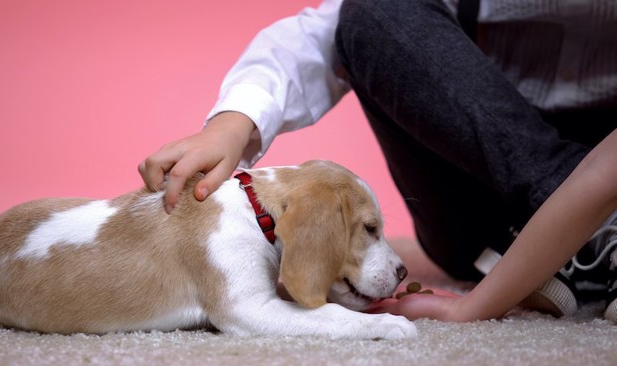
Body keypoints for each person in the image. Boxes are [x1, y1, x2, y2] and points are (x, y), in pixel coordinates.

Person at [138, 0, 617, 322]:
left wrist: (475, 308)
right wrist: (232, 121)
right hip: (480, 210)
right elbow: (322, 34)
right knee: (371, 7)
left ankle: (597, 244)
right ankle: (596, 243)